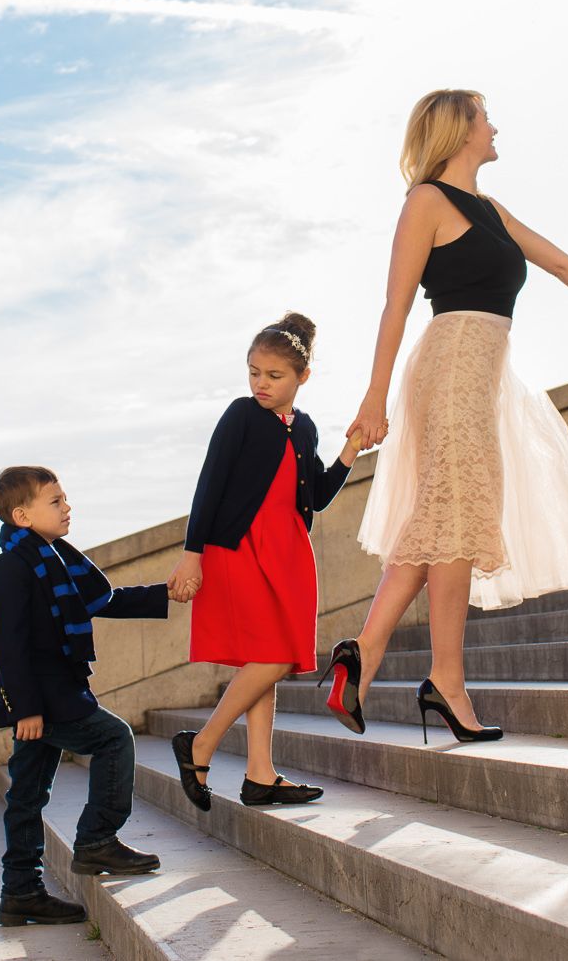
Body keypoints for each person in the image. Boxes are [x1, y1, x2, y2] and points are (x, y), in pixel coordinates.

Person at [330, 90, 568, 744]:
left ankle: (364, 653)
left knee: (449, 514)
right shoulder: (425, 202)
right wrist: (373, 395)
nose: (495, 124)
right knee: (458, 512)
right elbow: (395, 303)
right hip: (447, 368)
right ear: (461, 129)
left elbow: (556, 261)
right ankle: (443, 679)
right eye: (485, 114)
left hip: (483, 372)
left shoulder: (491, 210)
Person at [166, 313, 361, 811]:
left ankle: (260, 774)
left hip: (289, 551)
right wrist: (192, 556)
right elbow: (209, 483)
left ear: (302, 378)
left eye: (274, 376)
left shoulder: (306, 428)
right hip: (239, 548)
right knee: (273, 654)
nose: (261, 384)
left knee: (267, 657)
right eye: (254, 372)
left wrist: (351, 450)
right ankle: (202, 744)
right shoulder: (240, 415)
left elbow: (315, 496)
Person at [0, 466, 186, 927]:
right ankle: (97, 840)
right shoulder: (11, 568)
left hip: (56, 691)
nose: (67, 507)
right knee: (114, 740)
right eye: (55, 501)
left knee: (27, 795)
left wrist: (166, 594)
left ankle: (20, 892)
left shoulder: (54, 560)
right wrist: (28, 709)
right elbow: (9, 646)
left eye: (65, 499)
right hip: (44, 698)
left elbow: (106, 600)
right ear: (22, 515)